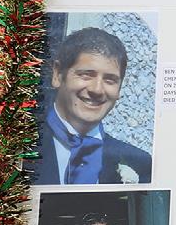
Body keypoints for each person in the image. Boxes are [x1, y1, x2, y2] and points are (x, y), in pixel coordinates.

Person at [32, 26, 151, 185]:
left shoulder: (139, 163)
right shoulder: (17, 147)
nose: (97, 89)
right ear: (58, 75)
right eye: (86, 75)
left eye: (110, 80)